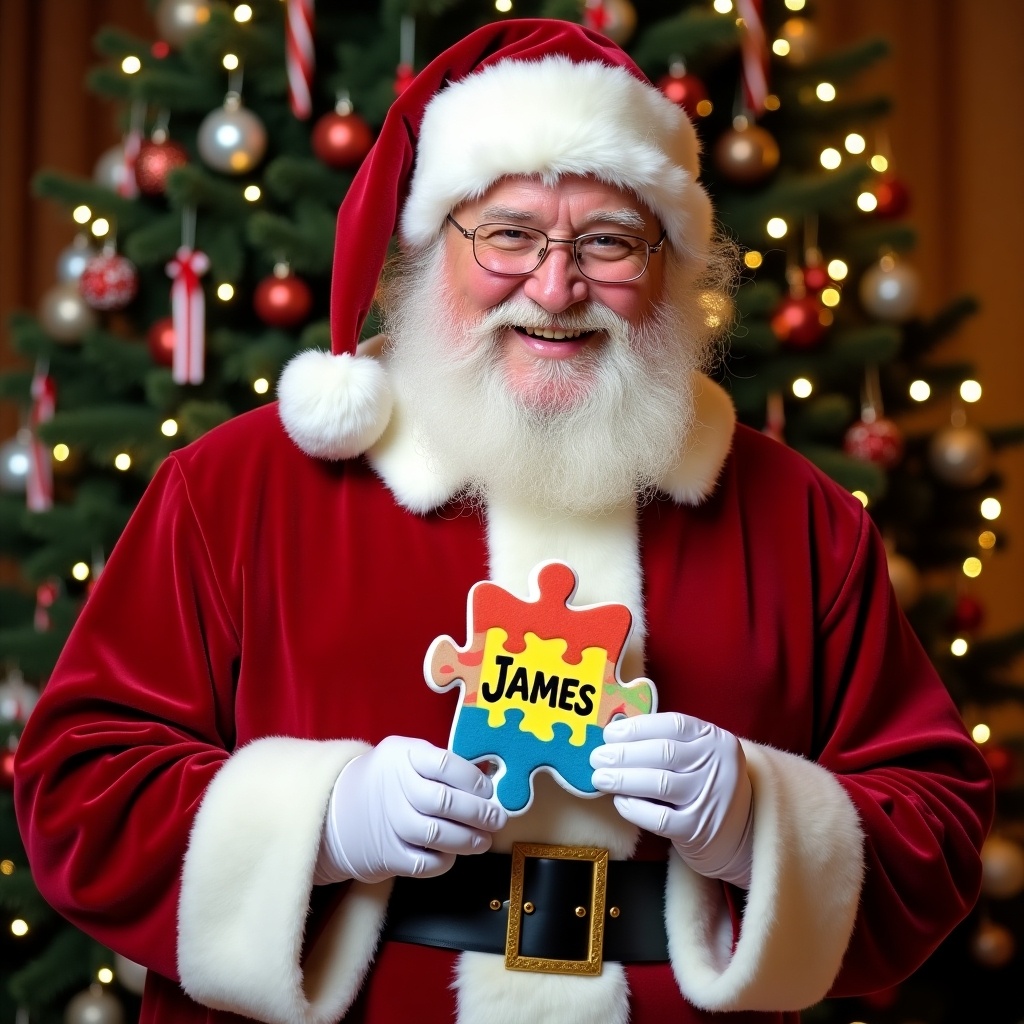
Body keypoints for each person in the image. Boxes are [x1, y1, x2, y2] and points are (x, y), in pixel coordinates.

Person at [14, 18, 992, 1024]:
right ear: (431, 246)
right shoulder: (235, 489)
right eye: (510, 233)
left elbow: (939, 829)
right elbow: (77, 793)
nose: (558, 286)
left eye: (609, 241)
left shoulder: (798, 517)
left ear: (672, 267)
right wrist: (320, 821)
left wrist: (757, 818)